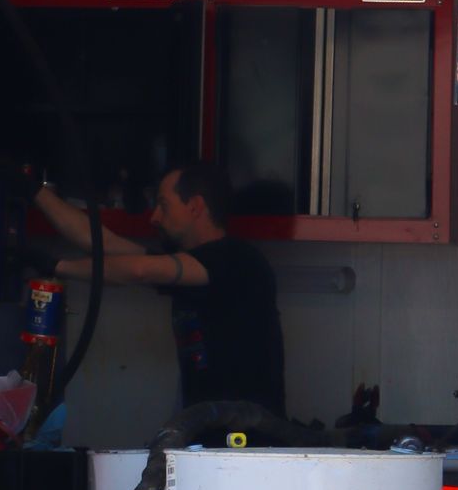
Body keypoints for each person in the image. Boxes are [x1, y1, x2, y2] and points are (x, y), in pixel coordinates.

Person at [33, 158, 287, 417]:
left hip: (251, 441)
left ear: (195, 206)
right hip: (205, 436)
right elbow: (102, 242)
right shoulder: (190, 267)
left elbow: (138, 271)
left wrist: (57, 266)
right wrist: (33, 190)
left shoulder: (236, 259)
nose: (155, 217)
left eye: (164, 206)